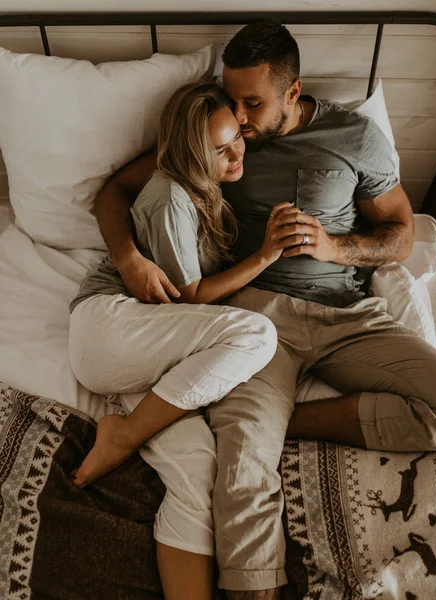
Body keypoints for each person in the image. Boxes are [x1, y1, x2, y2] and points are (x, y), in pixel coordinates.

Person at [90, 21, 436, 600]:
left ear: (293, 91)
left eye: (253, 103)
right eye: (233, 99)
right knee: (243, 471)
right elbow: (114, 191)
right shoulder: (219, 134)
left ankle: (294, 422)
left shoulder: (354, 137)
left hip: (346, 315)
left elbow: (402, 233)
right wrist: (129, 257)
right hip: (254, 320)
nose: (240, 117)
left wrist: (338, 248)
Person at [67, 80, 307, 600]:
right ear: (187, 152)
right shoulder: (169, 195)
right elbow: (193, 298)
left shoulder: (201, 180)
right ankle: (125, 435)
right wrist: (266, 255)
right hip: (113, 325)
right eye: (218, 150)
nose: (235, 152)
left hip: (136, 353)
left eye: (237, 137)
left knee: (198, 470)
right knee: (255, 334)